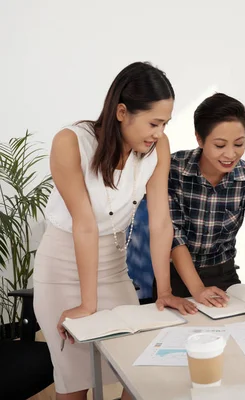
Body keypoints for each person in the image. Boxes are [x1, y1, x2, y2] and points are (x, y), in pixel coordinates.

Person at [33, 62, 196, 400]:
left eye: (164, 123)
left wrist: (164, 291)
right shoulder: (71, 142)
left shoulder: (157, 148)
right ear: (122, 111)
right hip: (63, 269)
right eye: (153, 122)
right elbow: (85, 224)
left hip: (112, 267)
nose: (159, 132)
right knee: (74, 381)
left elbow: (162, 221)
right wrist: (86, 304)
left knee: (138, 370)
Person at [166, 93, 245, 323]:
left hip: (224, 274)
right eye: (220, 145)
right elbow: (173, 234)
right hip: (175, 277)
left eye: (239, 144)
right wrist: (197, 289)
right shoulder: (173, 170)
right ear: (200, 139)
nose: (230, 154)